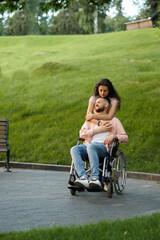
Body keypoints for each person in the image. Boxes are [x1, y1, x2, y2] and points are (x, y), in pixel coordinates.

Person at [70, 97, 128, 189]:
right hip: (89, 146)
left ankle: (95, 178)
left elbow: (125, 137)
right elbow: (82, 134)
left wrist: (114, 136)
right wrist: (97, 130)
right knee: (74, 149)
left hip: (104, 148)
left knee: (92, 147)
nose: (96, 103)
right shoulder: (90, 120)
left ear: (106, 105)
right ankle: (83, 177)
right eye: (96, 102)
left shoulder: (114, 121)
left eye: (99, 102)